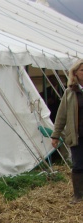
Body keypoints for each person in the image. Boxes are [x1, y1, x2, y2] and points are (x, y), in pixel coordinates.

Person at [51, 58, 83, 204]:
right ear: (75, 73)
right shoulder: (70, 93)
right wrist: (55, 135)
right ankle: (78, 195)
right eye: (82, 70)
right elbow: (61, 115)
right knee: (78, 165)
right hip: (77, 135)